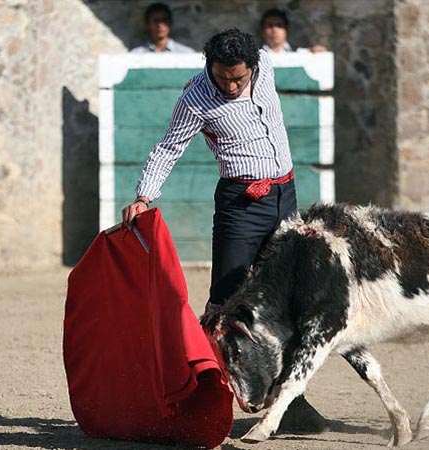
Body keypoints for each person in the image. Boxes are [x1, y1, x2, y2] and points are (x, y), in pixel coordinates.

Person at [122, 27, 326, 433]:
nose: (230, 86)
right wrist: (144, 196)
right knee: (227, 301)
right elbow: (168, 147)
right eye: (222, 77)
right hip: (240, 206)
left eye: (238, 77)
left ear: (253, 65)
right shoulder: (197, 97)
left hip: (285, 196)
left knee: (286, 298)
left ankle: (290, 400)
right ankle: (200, 396)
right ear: (208, 67)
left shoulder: (265, 64)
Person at [260, 8, 327, 54]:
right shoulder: (257, 54)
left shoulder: (297, 52)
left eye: (279, 25)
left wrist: (315, 51)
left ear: (286, 30)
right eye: (270, 26)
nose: (274, 30)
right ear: (263, 31)